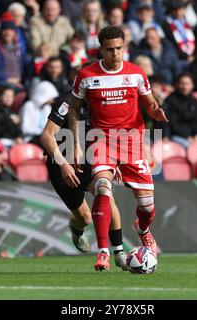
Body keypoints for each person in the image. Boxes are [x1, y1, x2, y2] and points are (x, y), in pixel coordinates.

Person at [68, 26, 167, 271]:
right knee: (102, 187)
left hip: (132, 142)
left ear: (124, 47)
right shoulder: (87, 75)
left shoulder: (136, 73)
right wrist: (77, 145)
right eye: (110, 49)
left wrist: (155, 110)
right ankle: (103, 252)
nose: (115, 54)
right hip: (101, 140)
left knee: (147, 206)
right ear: (101, 49)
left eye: (119, 48)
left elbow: (150, 102)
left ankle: (143, 229)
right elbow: (73, 109)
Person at [40, 90, 127, 269]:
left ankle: (119, 253)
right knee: (85, 217)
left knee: (106, 197)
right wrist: (63, 165)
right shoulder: (66, 103)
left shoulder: (105, 103)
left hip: (91, 159)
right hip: (61, 164)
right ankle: (76, 227)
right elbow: (47, 136)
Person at [162, 73, 197, 148]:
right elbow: (172, 123)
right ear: (177, 84)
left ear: (192, 85)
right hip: (176, 136)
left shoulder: (194, 101)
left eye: (187, 84)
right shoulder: (170, 100)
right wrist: (186, 136)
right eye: (182, 83)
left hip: (192, 136)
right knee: (191, 147)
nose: (184, 87)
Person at [20, 81, 58, 145]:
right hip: (30, 138)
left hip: (44, 137)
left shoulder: (47, 108)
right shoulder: (28, 106)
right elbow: (25, 128)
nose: (52, 101)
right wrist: (41, 132)